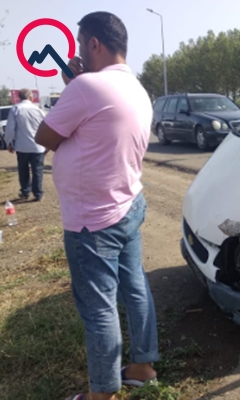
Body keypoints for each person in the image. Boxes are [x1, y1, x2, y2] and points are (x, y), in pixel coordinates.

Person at [34, 12, 158, 400]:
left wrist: (74, 85)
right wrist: (77, 85)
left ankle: (101, 394)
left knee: (98, 307)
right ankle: (142, 367)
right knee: (135, 287)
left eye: (80, 44)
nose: (77, 52)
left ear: (94, 44)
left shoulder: (87, 87)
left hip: (94, 221)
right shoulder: (137, 88)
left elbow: (45, 137)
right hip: (127, 205)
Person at [4, 88, 46, 201]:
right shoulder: (38, 110)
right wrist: (47, 143)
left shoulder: (16, 109)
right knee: (37, 170)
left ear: (19, 97)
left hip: (22, 146)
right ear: (31, 97)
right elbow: (46, 126)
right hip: (38, 145)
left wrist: (9, 142)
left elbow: (10, 129)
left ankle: (25, 191)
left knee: (23, 170)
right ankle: (38, 193)